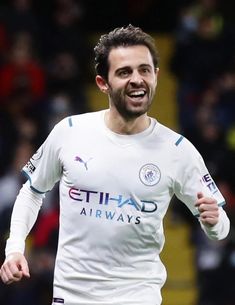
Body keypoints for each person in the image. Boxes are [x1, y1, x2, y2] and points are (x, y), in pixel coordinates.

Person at [0, 24, 230, 305]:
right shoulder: (69, 131)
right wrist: (14, 248)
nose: (137, 79)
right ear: (102, 83)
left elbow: (221, 228)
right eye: (124, 72)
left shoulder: (178, 151)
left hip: (137, 298)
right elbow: (32, 191)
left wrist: (214, 222)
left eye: (144, 70)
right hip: (72, 298)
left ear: (156, 77)